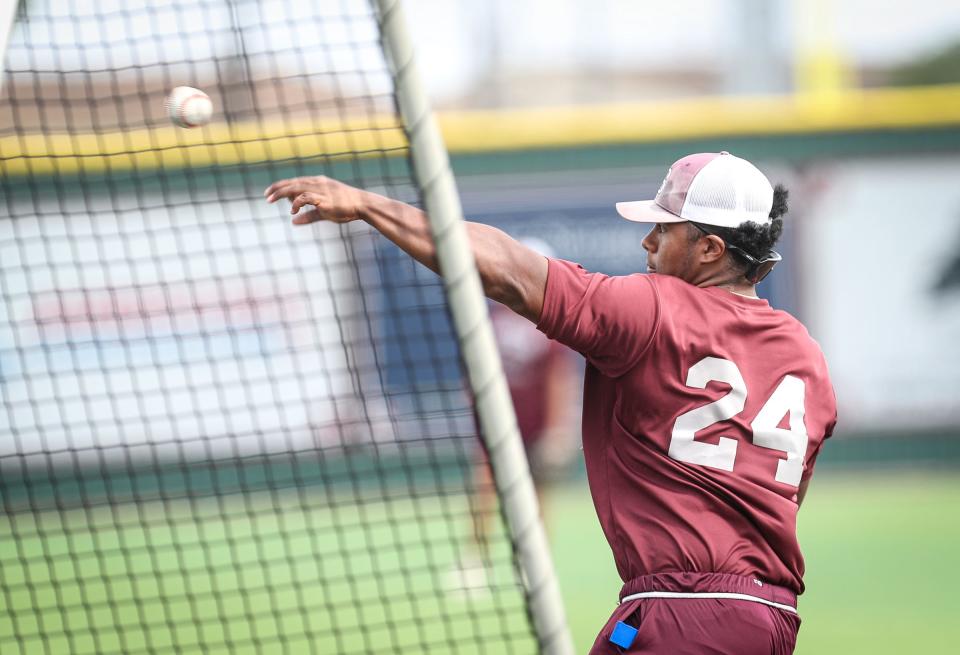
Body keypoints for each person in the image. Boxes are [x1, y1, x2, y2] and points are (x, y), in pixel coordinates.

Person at [264, 151, 837, 655]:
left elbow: (506, 268)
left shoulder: (651, 309)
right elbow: (783, 500)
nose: (648, 240)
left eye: (666, 228)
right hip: (771, 617)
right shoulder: (805, 355)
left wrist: (367, 206)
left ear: (710, 248)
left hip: (679, 609)